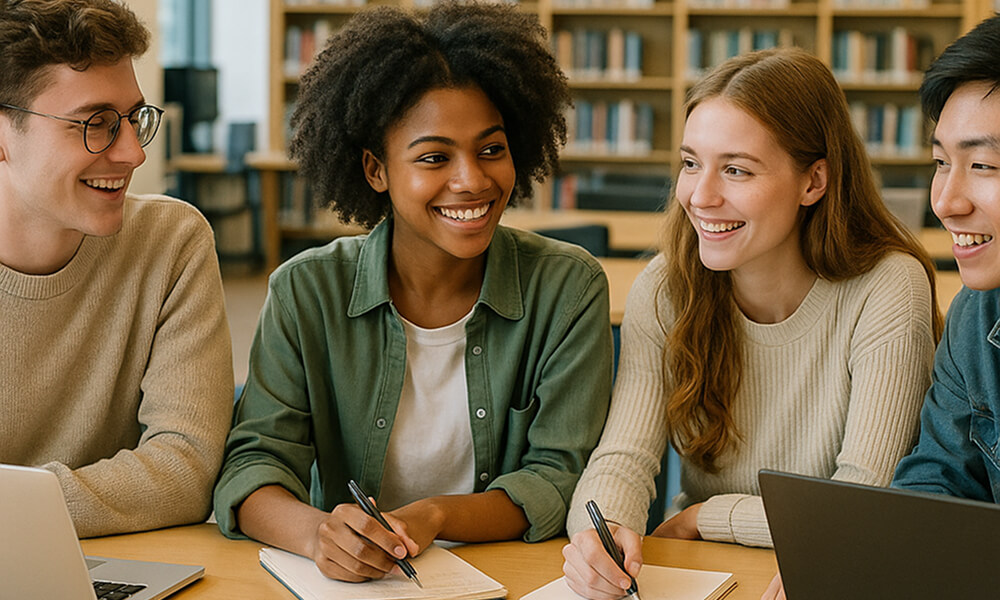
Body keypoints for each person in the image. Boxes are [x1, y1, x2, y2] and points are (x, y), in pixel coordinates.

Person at [212, 1, 613, 584]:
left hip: (512, 579)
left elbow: (556, 477)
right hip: (355, 586)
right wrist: (318, 534)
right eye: (433, 157)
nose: (472, 180)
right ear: (377, 170)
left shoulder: (568, 288)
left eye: (491, 149)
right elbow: (254, 464)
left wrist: (434, 515)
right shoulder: (306, 291)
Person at [560, 47, 942, 600]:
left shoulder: (887, 287)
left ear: (814, 182)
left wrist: (708, 515)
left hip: (821, 571)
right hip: (700, 570)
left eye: (736, 169)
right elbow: (623, 455)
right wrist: (602, 535)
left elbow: (863, 502)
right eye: (691, 163)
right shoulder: (666, 287)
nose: (700, 196)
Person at [0, 0, 234, 538]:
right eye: (96, 124)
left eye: (134, 119)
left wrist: (19, 513)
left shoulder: (171, 243)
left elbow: (186, 468)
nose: (133, 153)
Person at [891, 16, 1000, 502]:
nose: (945, 202)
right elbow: (934, 484)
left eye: (983, 166)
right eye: (941, 162)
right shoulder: (976, 317)